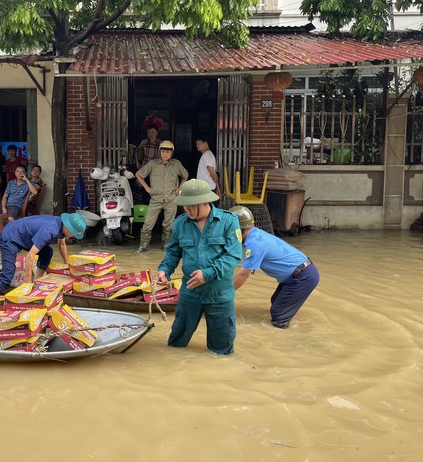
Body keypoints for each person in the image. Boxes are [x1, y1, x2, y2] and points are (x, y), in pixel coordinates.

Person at [156, 179, 242, 355]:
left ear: (205, 202)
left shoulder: (228, 221)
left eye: (191, 206)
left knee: (221, 350)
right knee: (176, 342)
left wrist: (208, 273)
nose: (186, 210)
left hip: (219, 293)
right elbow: (173, 253)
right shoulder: (180, 223)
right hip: (190, 292)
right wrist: (164, 270)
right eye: (184, 206)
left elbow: (233, 256)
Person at [231, 206, 319, 329]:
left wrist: (225, 294)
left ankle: (288, 338)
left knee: (278, 317)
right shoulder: (256, 234)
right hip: (301, 272)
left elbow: (243, 274)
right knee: (275, 302)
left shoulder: (254, 244)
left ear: (238, 229)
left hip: (302, 276)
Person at [0, 213, 87, 297]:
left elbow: (62, 245)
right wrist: (28, 286)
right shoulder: (50, 230)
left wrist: (66, 265)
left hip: (24, 237)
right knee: (8, 274)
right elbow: (30, 256)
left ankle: (37, 282)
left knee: (47, 252)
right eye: (73, 234)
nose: (72, 236)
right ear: (67, 228)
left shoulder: (61, 225)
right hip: (10, 237)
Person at [135, 140, 188, 252]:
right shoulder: (153, 164)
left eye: (168, 152)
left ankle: (166, 247)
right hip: (155, 199)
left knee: (168, 225)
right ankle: (143, 247)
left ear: (172, 153)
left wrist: (179, 188)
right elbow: (139, 174)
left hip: (171, 199)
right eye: (163, 151)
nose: (165, 154)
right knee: (148, 224)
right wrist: (146, 188)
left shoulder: (176, 164)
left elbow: (185, 176)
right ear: (160, 152)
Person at [0, 164, 36, 237]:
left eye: (22, 172)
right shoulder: (11, 183)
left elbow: (35, 192)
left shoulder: (28, 183)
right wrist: (4, 207)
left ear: (25, 173)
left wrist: (26, 179)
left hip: (16, 206)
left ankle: (14, 235)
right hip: (7, 205)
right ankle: (1, 227)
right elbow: (5, 197)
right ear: (15, 173)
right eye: (17, 171)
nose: (19, 173)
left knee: (11, 218)